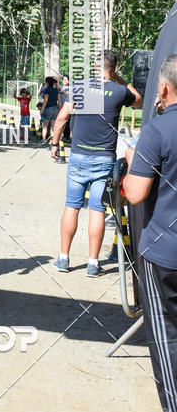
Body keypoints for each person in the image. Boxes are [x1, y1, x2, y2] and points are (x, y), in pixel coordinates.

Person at [124, 54, 177, 412]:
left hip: (164, 254)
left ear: (162, 87)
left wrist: (131, 163)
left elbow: (136, 191)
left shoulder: (157, 131)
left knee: (166, 338)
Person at [50, 50, 142, 276]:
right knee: (98, 210)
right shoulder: (119, 91)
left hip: (79, 155)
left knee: (72, 206)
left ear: (94, 66)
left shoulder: (81, 88)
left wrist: (54, 143)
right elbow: (138, 101)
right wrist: (119, 79)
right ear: (114, 69)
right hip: (104, 158)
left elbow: (62, 117)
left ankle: (63, 259)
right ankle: (93, 263)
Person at [40, 76, 60, 142]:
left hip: (48, 108)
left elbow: (45, 101)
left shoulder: (47, 90)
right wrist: (59, 109)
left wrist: (42, 110)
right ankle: (55, 140)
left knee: (45, 126)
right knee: (54, 126)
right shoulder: (56, 90)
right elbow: (59, 100)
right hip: (55, 108)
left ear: (47, 83)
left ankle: (43, 140)